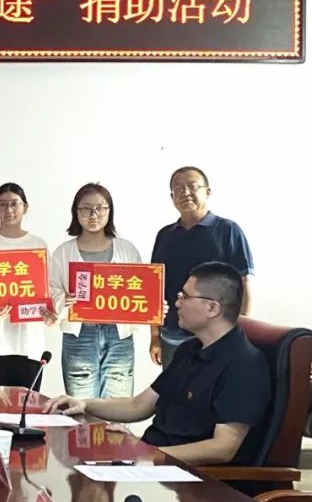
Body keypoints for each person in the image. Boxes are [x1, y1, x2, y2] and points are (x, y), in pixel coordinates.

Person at [44, 262, 270, 466]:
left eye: (184, 296)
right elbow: (138, 406)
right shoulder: (189, 350)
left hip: (188, 477)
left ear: (212, 308)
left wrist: (145, 454)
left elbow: (222, 448)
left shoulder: (244, 365)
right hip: (155, 462)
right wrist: (84, 404)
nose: (177, 303)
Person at [151, 166, 253, 369]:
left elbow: (244, 284)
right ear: (172, 196)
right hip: (172, 338)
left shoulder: (228, 230)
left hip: (215, 338)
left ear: (208, 192)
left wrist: (240, 335)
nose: (185, 192)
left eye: (192, 186)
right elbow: (154, 287)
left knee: (213, 388)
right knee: (174, 389)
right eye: (178, 188)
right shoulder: (165, 235)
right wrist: (154, 336)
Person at [47, 183, 142, 399]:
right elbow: (51, 288)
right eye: (86, 208)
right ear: (76, 211)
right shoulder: (63, 252)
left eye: (100, 208)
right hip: (79, 334)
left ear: (110, 211)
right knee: (81, 403)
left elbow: (140, 287)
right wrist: (64, 299)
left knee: (118, 403)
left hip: (118, 335)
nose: (93, 215)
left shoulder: (126, 249)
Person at [0, 183, 49, 388]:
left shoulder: (38, 245)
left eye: (14, 204)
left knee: (27, 405)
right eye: (3, 204)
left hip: (28, 343)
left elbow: (46, 289)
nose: (9, 210)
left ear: (25, 207)